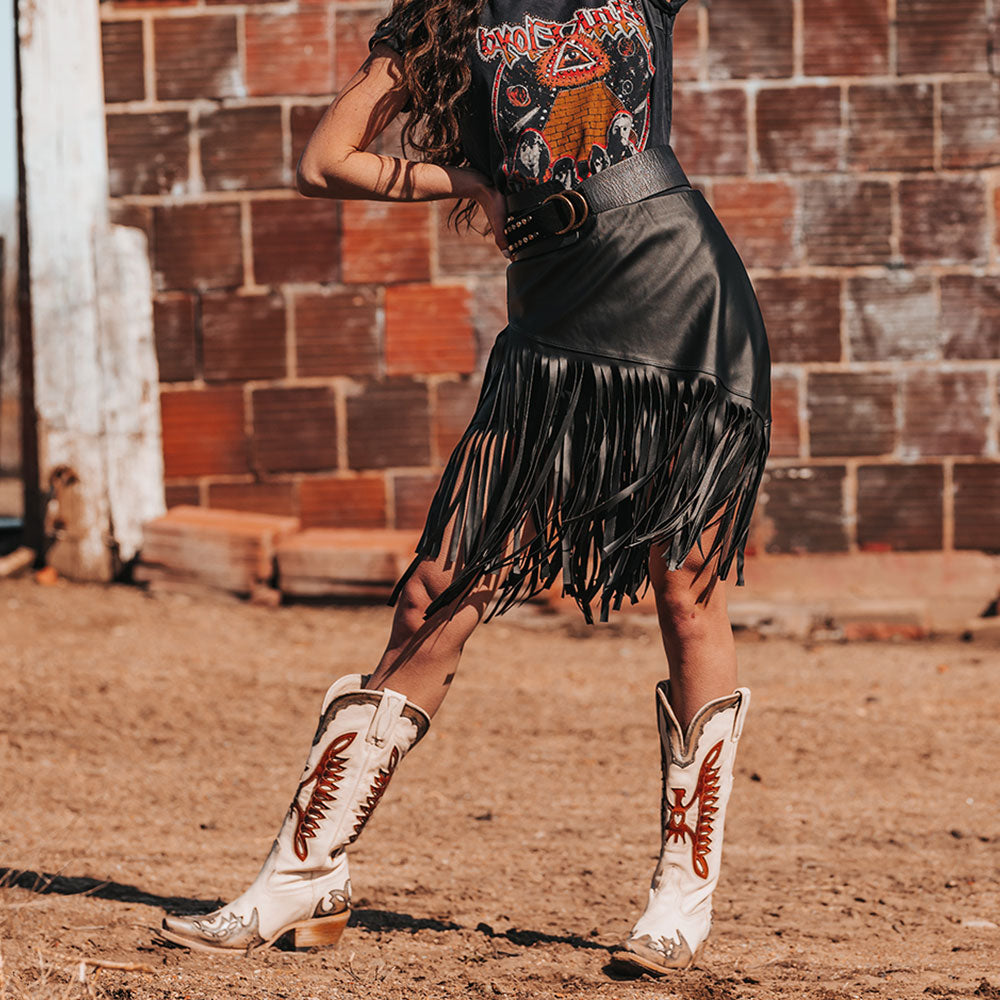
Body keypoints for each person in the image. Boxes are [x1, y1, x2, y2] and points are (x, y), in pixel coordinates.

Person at [157, 0, 771, 975]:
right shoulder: (447, 15)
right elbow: (324, 160)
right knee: (435, 590)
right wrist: (471, 179)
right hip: (550, 326)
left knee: (684, 592)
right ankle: (303, 875)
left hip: (684, 299)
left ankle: (679, 900)